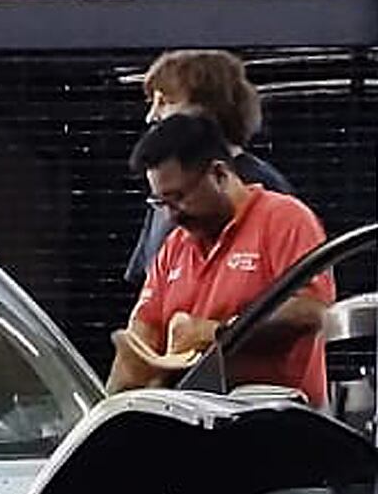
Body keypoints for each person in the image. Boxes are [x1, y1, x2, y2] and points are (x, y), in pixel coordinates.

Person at [109, 112, 335, 402]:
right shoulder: (175, 245)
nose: (171, 214)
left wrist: (218, 334)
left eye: (178, 197)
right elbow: (144, 330)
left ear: (219, 174)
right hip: (192, 422)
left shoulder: (285, 220)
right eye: (160, 202)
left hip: (276, 423)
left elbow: (310, 312)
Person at [125, 50, 295, 288]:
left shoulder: (272, 195)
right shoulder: (166, 189)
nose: (152, 117)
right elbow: (148, 283)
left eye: (166, 102)